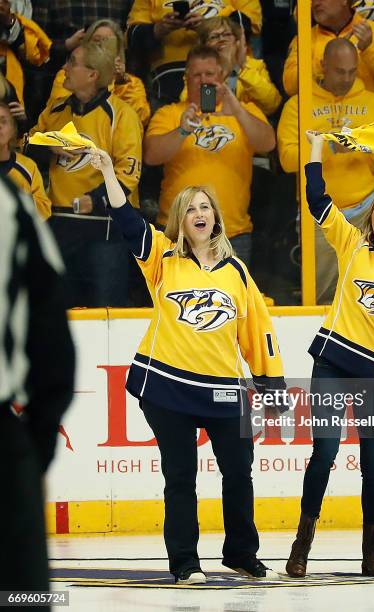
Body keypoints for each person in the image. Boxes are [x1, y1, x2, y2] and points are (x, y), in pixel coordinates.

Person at [86, 145, 286, 585]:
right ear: (181, 219)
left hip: (224, 391)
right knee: (181, 477)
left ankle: (240, 553)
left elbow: (259, 332)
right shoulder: (163, 259)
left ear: (215, 216)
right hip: (168, 389)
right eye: (190, 208)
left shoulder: (237, 271)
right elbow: (128, 222)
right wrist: (107, 172)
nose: (199, 213)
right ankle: (184, 562)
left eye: (205, 207)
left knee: (238, 473)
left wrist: (272, 386)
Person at [285, 131, 374, 578]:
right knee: (324, 452)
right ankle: (302, 545)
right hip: (331, 362)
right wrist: (314, 147)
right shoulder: (352, 245)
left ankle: (372, 552)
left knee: (373, 465)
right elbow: (316, 197)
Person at [278, 38, 374, 303]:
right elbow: (287, 160)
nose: (347, 78)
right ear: (323, 65)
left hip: (366, 208)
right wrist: (328, 147)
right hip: (321, 213)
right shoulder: (297, 105)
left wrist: (364, 145)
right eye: (339, 71)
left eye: (352, 71)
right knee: (322, 294)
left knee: (371, 291)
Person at [0, 176, 74, 598]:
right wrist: (34, 446)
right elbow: (52, 337)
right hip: (3, 443)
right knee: (17, 594)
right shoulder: (10, 202)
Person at [26, 40, 143, 307]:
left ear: (92, 75)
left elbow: (130, 171)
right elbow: (25, 144)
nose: (64, 68)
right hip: (60, 228)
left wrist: (98, 198)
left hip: (105, 230)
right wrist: (49, 148)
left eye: (72, 63)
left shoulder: (122, 115)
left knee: (106, 312)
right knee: (58, 310)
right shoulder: (55, 110)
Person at [144, 45, 275, 266]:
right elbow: (150, 156)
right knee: (178, 299)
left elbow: (268, 143)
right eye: (196, 74)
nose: (203, 80)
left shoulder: (243, 110)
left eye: (209, 74)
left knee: (231, 300)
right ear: (186, 78)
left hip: (231, 232)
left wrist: (238, 111)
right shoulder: (170, 113)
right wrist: (183, 130)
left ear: (222, 76)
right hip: (179, 232)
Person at [126, 0, 262, 105]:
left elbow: (251, 25)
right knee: (183, 126)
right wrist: (159, 29)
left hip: (225, 69)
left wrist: (209, 27)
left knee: (217, 121)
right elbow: (131, 38)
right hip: (170, 75)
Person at [283, 0, 374, 111]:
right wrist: (326, 62)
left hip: (371, 129)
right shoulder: (304, 40)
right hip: (322, 129)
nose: (315, 3)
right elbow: (290, 87)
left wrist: (370, 51)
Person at [47, 19, 151, 127]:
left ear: (117, 50)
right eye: (96, 41)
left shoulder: (129, 83)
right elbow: (56, 113)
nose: (101, 47)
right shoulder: (67, 73)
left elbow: (140, 118)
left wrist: (120, 83)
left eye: (107, 42)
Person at [195, 15, 281, 117]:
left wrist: (243, 68)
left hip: (248, 127)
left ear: (237, 42)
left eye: (227, 34)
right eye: (214, 37)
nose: (222, 39)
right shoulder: (198, 70)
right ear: (204, 46)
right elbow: (197, 107)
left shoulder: (255, 66)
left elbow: (272, 105)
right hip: (214, 128)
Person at [0, 102, 51, 219]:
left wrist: (17, 197)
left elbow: (44, 210)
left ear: (13, 130)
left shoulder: (28, 167)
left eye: (3, 121)